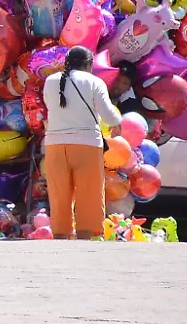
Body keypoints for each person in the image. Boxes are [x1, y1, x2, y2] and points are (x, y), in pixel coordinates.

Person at [41, 46, 122, 240]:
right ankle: (84, 238)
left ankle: (61, 235)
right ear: (89, 65)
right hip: (87, 145)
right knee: (89, 192)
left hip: (55, 145)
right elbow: (109, 116)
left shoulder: (50, 81)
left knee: (59, 192)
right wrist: (117, 124)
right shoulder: (95, 82)